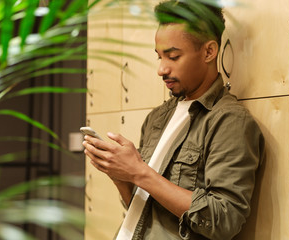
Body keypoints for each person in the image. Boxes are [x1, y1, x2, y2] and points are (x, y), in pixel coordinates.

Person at [83, 1, 265, 239]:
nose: (161, 69)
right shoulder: (157, 118)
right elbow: (145, 211)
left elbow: (225, 219)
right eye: (159, 56)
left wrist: (139, 172)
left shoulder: (230, 122)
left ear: (209, 52)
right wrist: (122, 177)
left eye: (173, 56)